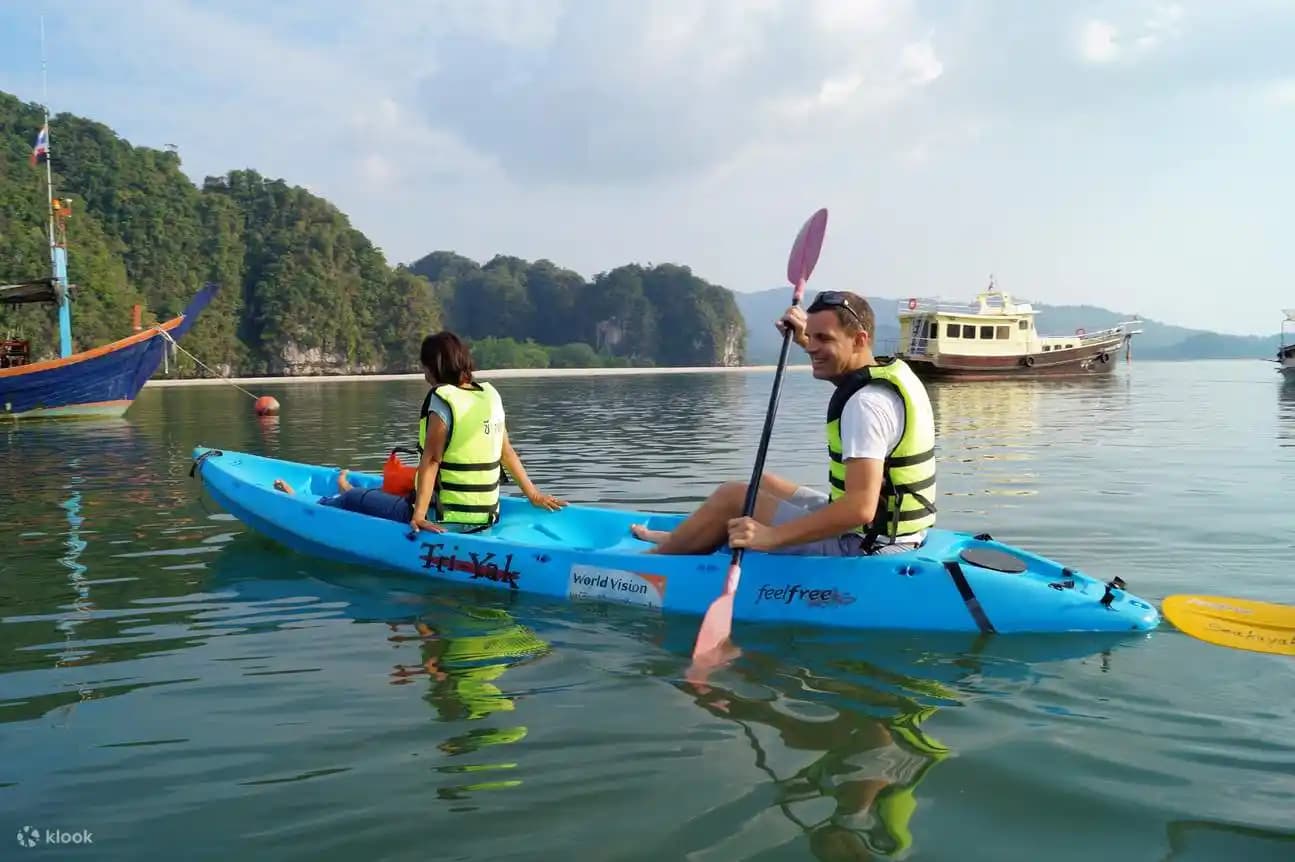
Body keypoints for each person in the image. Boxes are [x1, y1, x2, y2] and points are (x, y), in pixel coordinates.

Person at [631, 290, 936, 557]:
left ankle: (653, 562)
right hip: (892, 530)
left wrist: (770, 536)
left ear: (859, 340)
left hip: (866, 545)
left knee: (734, 497)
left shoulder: (865, 405)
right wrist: (805, 339)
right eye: (811, 337)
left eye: (824, 338)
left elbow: (860, 508)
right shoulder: (891, 374)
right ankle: (684, 539)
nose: (812, 347)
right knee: (764, 484)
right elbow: (846, 373)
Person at [274, 331, 565, 532]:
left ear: (434, 367)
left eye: (425, 367)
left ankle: (306, 502)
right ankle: (351, 491)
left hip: (445, 517)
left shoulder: (443, 400)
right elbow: (506, 452)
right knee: (379, 493)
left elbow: (432, 461)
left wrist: (419, 516)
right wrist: (533, 495)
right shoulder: (490, 396)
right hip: (486, 516)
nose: (425, 374)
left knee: (353, 501)